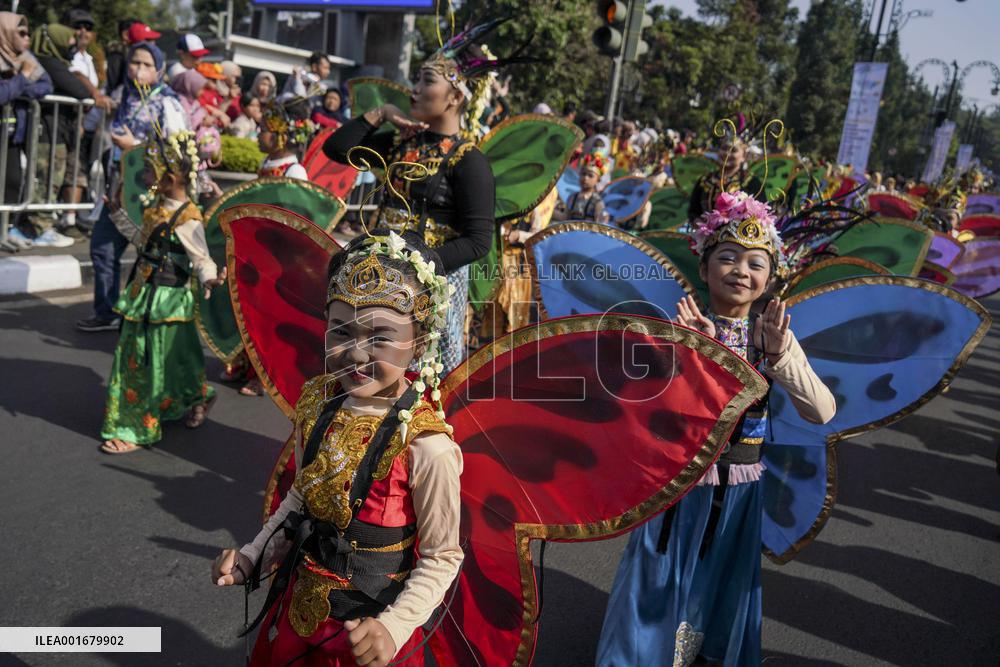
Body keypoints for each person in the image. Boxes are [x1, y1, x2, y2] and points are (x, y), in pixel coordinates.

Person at [596, 190, 836, 666]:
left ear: (770, 279)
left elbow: (822, 412)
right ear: (704, 269)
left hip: (740, 490)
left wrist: (781, 358)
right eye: (727, 258)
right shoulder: (679, 326)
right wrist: (692, 353)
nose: (740, 271)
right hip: (678, 485)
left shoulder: (774, 338)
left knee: (719, 583)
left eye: (755, 263)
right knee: (657, 575)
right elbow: (646, 410)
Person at [212, 229, 463, 667]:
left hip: (367, 637)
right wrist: (253, 556)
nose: (356, 354)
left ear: (420, 343)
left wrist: (394, 627)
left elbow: (442, 556)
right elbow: (300, 498)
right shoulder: (318, 402)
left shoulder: (427, 445)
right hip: (297, 617)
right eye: (342, 332)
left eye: (380, 338)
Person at [321, 23, 507, 372]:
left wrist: (417, 266)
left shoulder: (469, 160)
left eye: (427, 81)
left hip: (430, 285)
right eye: (417, 79)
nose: (415, 89)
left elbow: (478, 241)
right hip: (379, 275)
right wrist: (382, 113)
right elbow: (337, 148)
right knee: (362, 367)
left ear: (456, 97)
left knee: (417, 378)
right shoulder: (400, 143)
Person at [99, 129, 225, 454]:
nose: (144, 176)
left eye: (149, 170)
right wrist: (117, 215)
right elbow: (143, 242)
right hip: (142, 295)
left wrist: (210, 280)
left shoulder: (188, 219)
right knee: (152, 360)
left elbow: (202, 260)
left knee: (157, 362)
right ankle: (196, 398)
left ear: (168, 179)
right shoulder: (156, 207)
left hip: (168, 300)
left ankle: (137, 426)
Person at [77, 39, 187, 332]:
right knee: (102, 247)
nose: (139, 69)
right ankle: (107, 312)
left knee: (147, 257)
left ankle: (138, 316)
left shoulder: (168, 103)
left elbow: (177, 151)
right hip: (119, 190)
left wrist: (134, 145)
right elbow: (93, 120)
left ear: (159, 70)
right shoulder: (122, 95)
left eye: (146, 64)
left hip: (151, 195)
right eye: (134, 62)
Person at [0, 12, 53, 249]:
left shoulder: (25, 58)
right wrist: (22, 78)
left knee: (13, 181)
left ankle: (4, 230)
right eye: (20, 33)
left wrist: (17, 88)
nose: (26, 38)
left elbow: (46, 85)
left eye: (27, 33)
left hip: (13, 133)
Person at [257, 98, 310, 180]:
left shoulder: (295, 172)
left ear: (281, 137)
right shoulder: (266, 162)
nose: (258, 135)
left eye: (262, 130)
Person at [555, 152, 609, 223]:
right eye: (583, 174)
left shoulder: (597, 202)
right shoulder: (572, 197)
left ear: (598, 180)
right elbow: (565, 218)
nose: (585, 178)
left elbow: (599, 224)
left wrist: (604, 219)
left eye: (590, 176)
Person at [194, 62, 231, 128]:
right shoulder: (198, 91)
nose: (216, 82)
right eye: (213, 80)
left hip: (213, 125)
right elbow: (200, 104)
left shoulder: (214, 92)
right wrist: (215, 111)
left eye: (216, 80)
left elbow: (219, 108)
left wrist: (221, 114)